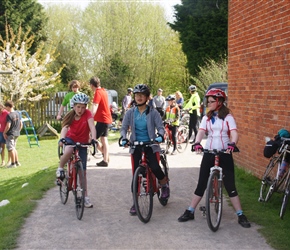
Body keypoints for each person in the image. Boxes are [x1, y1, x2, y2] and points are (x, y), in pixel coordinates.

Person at [177, 88, 251, 228]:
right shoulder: (206, 118)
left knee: (230, 186)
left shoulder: (228, 117)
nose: (208, 103)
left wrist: (232, 144)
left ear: (220, 102)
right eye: (208, 101)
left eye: (211, 101)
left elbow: (234, 133)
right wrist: (197, 143)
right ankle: (190, 211)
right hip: (209, 151)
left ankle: (240, 214)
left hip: (225, 152)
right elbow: (201, 132)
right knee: (201, 184)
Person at [120, 84, 170, 215]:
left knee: (154, 166)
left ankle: (164, 185)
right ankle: (135, 203)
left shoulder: (153, 113)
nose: (139, 97)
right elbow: (124, 128)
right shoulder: (130, 113)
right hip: (136, 145)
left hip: (151, 145)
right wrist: (124, 138)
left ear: (147, 97)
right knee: (135, 176)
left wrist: (159, 136)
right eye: (137, 95)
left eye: (142, 95)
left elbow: (160, 127)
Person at [56, 93, 97, 208]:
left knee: (82, 173)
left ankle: (85, 197)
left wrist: (93, 139)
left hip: (83, 141)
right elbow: (64, 128)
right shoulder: (71, 115)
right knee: (68, 150)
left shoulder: (88, 114)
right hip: (71, 139)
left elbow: (92, 127)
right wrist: (62, 139)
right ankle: (60, 167)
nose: (80, 110)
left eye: (83, 107)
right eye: (78, 107)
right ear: (73, 106)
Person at [89, 76, 112, 167]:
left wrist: (90, 117)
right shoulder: (103, 91)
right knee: (103, 139)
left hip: (102, 119)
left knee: (91, 138)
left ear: (91, 85)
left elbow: (95, 105)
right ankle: (105, 158)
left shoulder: (98, 93)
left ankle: (106, 157)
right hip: (106, 118)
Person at [3, 100, 23, 168]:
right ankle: (17, 162)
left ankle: (13, 163)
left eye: (6, 107)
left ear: (8, 107)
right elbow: (21, 124)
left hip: (11, 134)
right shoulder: (17, 113)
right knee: (14, 147)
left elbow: (8, 125)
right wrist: (18, 131)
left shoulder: (9, 115)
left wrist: (4, 132)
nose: (5, 109)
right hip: (17, 133)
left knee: (10, 148)